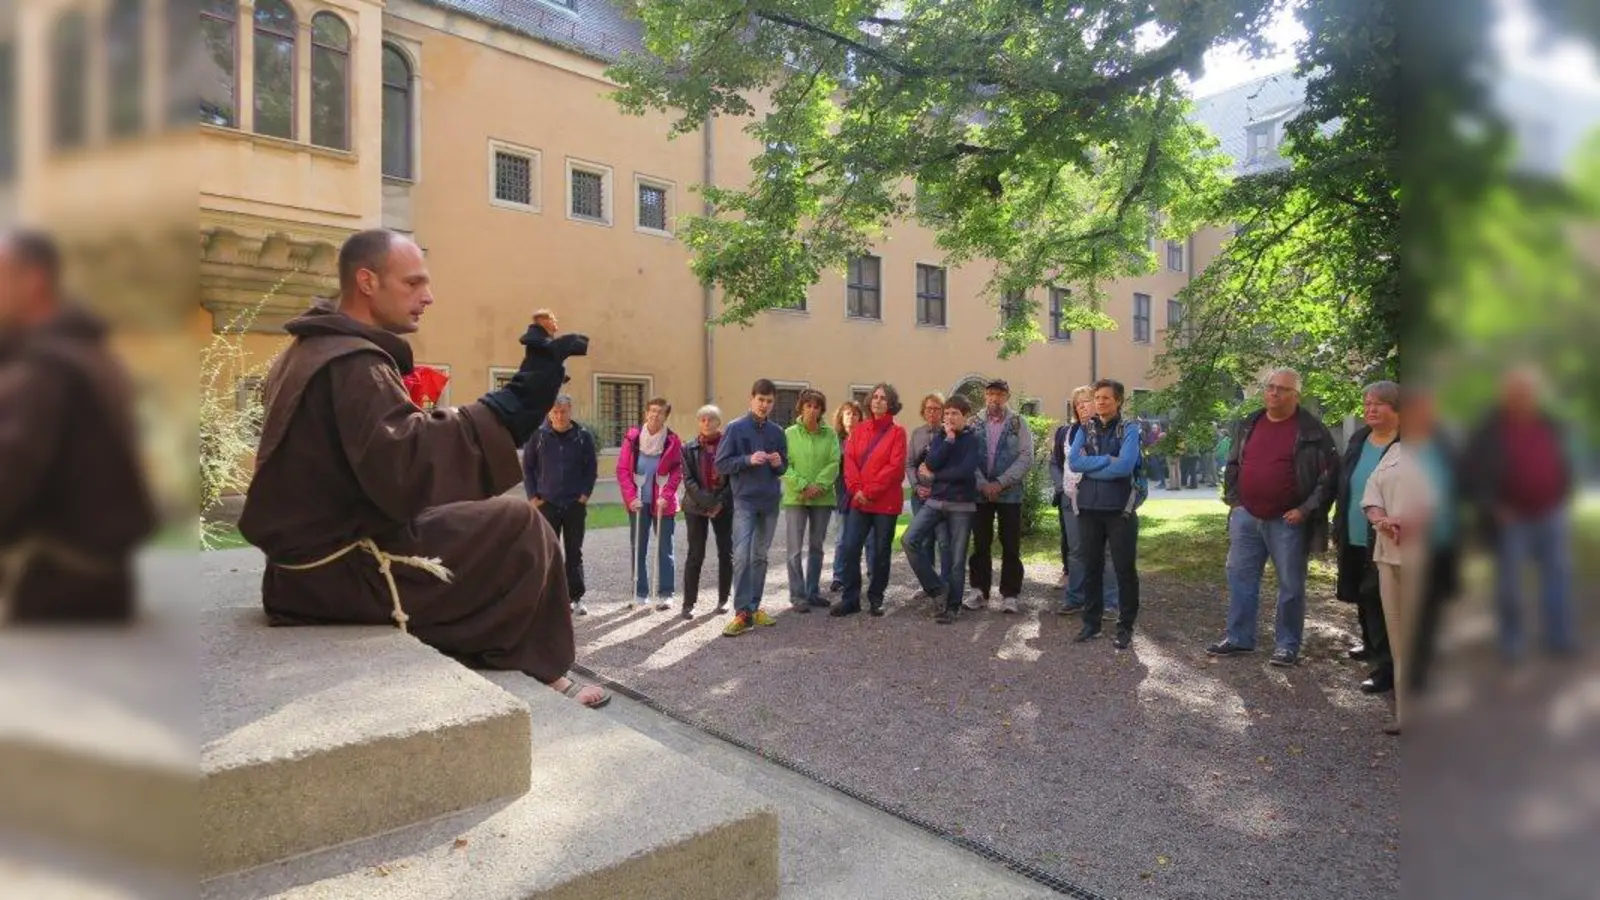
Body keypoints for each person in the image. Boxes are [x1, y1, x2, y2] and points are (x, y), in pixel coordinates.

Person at [238, 228, 609, 708]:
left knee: (480, 518)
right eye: (413, 283)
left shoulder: (311, 352)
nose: (428, 296)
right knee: (520, 525)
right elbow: (408, 466)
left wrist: (519, 397)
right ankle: (539, 665)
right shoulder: (350, 364)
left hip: (309, 569)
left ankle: (502, 645)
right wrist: (517, 400)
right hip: (337, 573)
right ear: (367, 282)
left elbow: (380, 465)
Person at [0, 229, 156, 623]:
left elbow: (10, 473)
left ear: (33, 280)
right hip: (92, 580)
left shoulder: (46, 367)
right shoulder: (87, 351)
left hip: (53, 583)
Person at [1207, 369, 1339, 667]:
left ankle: (1287, 645)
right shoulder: (1249, 424)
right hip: (1246, 515)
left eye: (1282, 389)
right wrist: (1235, 501)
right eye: (1270, 387)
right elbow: (1233, 464)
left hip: (1287, 521)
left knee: (1291, 585)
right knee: (1240, 578)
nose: (1274, 393)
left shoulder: (1313, 431)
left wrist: (1305, 509)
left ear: (1296, 395)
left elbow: (1329, 478)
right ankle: (1239, 637)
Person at [1461, 367, 1580, 661]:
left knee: (1558, 578)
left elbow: (1563, 461)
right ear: (1505, 394)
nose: (1524, 397)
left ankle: (1559, 637)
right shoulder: (1489, 429)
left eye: (1528, 391)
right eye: (1517, 391)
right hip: (1512, 520)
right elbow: (1470, 474)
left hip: (1551, 513)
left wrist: (1563, 494)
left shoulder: (1549, 423)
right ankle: (1512, 641)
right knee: (1510, 585)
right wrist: (1494, 507)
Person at [1362, 401, 1436, 735]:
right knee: (1399, 639)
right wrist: (1380, 517)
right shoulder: (1395, 452)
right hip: (1389, 553)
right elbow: (1372, 491)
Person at [1329, 381, 1402, 693]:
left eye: (1378, 404)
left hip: (1387, 535)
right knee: (1361, 592)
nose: (1370, 409)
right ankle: (1371, 644)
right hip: (1354, 529)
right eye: (1367, 403)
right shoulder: (1360, 438)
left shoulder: (1406, 444)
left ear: (1397, 409)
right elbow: (1344, 481)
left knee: (1379, 598)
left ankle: (1388, 667)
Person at [1067, 379, 1143, 649]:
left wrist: (1093, 469)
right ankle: (1091, 624)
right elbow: (1074, 462)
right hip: (1089, 508)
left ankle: (1125, 626)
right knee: (1092, 567)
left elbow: (1125, 467)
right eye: (1097, 397)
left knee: (1124, 569)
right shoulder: (1084, 428)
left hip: (1119, 509)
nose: (1100, 402)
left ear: (1118, 401)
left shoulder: (1130, 429)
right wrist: (1106, 460)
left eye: (1106, 398)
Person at [715, 379, 789, 636]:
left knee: (760, 557)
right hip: (745, 502)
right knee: (742, 556)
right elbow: (721, 464)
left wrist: (778, 463)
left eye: (769, 401)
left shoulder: (777, 432)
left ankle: (754, 607)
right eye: (761, 400)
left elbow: (784, 467)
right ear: (752, 399)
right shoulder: (735, 428)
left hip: (769, 503)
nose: (764, 405)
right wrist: (747, 459)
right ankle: (742, 613)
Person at [902, 395, 982, 624]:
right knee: (909, 540)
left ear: (965, 416)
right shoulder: (941, 437)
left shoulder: (973, 439)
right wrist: (948, 440)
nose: (949, 417)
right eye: (947, 413)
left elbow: (965, 472)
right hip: (935, 501)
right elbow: (931, 462)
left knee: (956, 558)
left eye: (954, 413)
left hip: (961, 505)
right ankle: (937, 589)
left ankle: (953, 607)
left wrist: (936, 476)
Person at [832, 383, 907, 618]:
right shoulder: (859, 430)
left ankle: (876, 598)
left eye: (883, 398)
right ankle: (850, 599)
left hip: (885, 503)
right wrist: (856, 490)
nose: (877, 401)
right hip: (860, 501)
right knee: (850, 548)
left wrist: (869, 491)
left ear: (891, 404)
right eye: (874, 397)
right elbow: (850, 463)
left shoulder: (898, 433)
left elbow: (894, 469)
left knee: (880, 553)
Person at [523, 395, 598, 616]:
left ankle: (576, 598)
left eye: (563, 411)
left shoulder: (583, 436)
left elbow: (591, 469)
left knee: (574, 552)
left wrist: (584, 495)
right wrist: (533, 497)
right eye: (555, 412)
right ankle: (549, 598)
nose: (559, 416)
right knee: (548, 552)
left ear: (570, 410)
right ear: (549, 413)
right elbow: (528, 468)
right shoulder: (538, 436)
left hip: (574, 504)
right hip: (547, 504)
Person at [963, 379, 1032, 614]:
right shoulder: (974, 422)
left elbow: (1026, 457)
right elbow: (967, 455)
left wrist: (1001, 483)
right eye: (991, 394)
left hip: (1010, 494)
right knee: (980, 543)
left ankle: (1010, 595)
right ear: (985, 396)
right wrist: (983, 484)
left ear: (1007, 397)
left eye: (1000, 394)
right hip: (980, 493)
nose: (995, 398)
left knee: (1011, 544)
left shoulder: (1018, 423)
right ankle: (978, 591)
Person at [1057, 385, 1120, 618]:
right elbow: (1058, 462)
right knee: (1076, 551)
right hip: (1071, 497)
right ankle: (1076, 597)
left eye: (1086, 401)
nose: (1082, 406)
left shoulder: (1112, 431)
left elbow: (1113, 461)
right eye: (1078, 403)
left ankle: (1110, 602)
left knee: (1105, 551)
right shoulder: (1067, 432)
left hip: (1100, 497)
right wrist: (1061, 486)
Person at [618, 398, 684, 610]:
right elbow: (623, 470)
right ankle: (640, 593)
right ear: (646, 413)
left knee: (665, 548)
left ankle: (666, 594)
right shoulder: (633, 438)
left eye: (660, 412)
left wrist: (667, 495)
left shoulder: (672, 441)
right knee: (638, 547)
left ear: (666, 416)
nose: (655, 415)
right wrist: (631, 498)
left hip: (663, 503)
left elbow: (677, 470)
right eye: (652, 411)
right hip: (638, 502)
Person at [782, 389, 839, 613]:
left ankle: (813, 591)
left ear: (821, 410)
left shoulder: (830, 434)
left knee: (817, 547)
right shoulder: (789, 434)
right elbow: (785, 465)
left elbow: (834, 462)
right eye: (808, 406)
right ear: (801, 407)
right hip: (796, 498)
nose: (812, 410)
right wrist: (803, 486)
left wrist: (819, 486)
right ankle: (798, 596)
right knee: (794, 549)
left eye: (817, 407)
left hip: (822, 499)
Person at [680, 405, 735, 619]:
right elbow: (688, 479)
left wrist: (719, 503)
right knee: (695, 554)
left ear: (718, 422)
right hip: (695, 506)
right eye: (702, 419)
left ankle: (724, 598)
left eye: (711, 419)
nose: (706, 422)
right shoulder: (688, 448)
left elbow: (733, 479)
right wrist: (707, 502)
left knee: (726, 552)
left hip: (723, 505)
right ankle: (688, 603)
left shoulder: (728, 446)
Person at [906, 393, 949, 596]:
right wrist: (916, 486)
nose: (932, 412)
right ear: (923, 411)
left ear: (943, 412)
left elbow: (951, 467)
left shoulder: (949, 434)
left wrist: (936, 488)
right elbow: (910, 464)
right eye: (928, 408)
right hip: (919, 496)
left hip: (941, 497)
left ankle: (946, 583)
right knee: (924, 541)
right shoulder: (917, 434)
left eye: (936, 408)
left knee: (943, 540)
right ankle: (929, 584)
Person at [828, 400, 865, 593]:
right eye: (848, 414)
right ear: (841, 418)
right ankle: (839, 575)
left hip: (862, 495)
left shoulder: (866, 440)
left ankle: (864, 574)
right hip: (842, 495)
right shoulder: (835, 441)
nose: (851, 418)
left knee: (863, 539)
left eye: (855, 414)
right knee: (842, 538)